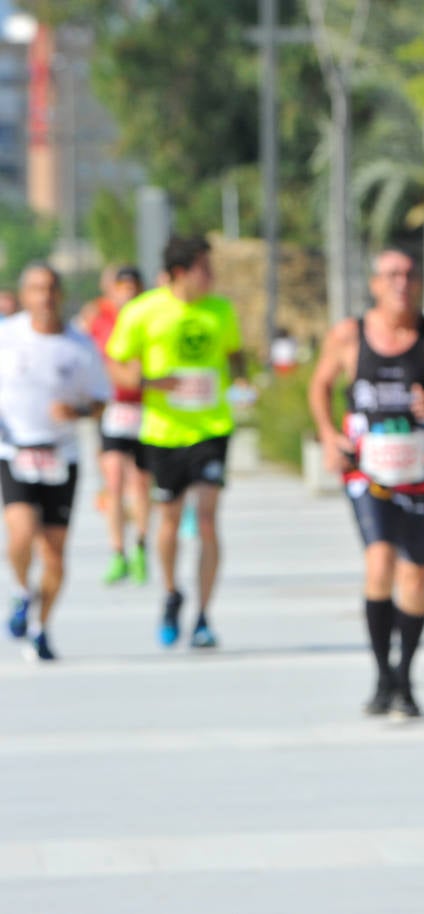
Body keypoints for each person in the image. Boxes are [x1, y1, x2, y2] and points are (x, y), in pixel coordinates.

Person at [309, 248, 424, 719]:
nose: (401, 282)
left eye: (409, 273)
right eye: (391, 275)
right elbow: (319, 385)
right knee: (380, 560)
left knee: (416, 576)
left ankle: (404, 677)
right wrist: (327, 434)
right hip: (368, 474)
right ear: (375, 284)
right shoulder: (349, 336)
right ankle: (382, 675)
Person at [105, 235, 249, 650]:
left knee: (206, 518)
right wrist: (147, 382)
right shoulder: (143, 311)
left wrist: (240, 377)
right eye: (206, 268)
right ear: (182, 272)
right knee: (168, 519)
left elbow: (235, 353)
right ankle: (171, 593)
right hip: (163, 433)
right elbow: (116, 359)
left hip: (211, 428)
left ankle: (203, 615)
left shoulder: (220, 310)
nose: (213, 276)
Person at [0, 263, 112, 661]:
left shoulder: (79, 346)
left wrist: (78, 411)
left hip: (60, 456)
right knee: (21, 532)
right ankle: (19, 589)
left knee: (55, 555)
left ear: (60, 295)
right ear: (24, 294)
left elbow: (101, 401)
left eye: (51, 289)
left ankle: (40, 627)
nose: (44, 298)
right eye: (35, 289)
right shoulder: (6, 337)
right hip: (15, 451)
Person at [83, 265, 152, 585]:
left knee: (140, 483)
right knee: (113, 481)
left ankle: (140, 545)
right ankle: (117, 552)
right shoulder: (102, 319)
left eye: (132, 287)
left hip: (147, 410)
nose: (127, 293)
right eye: (121, 287)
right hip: (114, 410)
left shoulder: (151, 318)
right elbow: (97, 360)